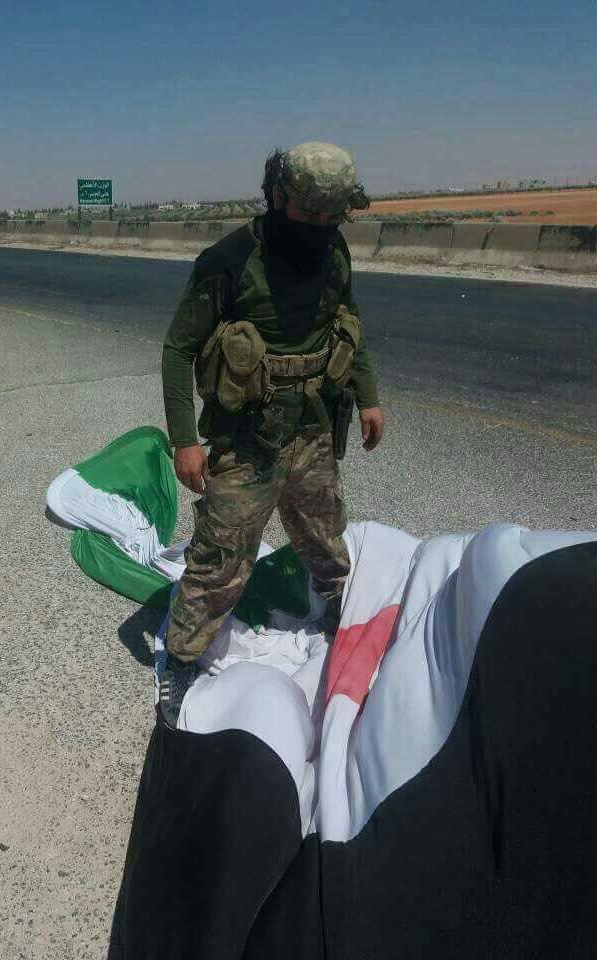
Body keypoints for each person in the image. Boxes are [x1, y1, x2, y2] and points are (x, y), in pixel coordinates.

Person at [158, 141, 384, 726]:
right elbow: (179, 347)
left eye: (332, 214)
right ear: (278, 197)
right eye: (310, 212)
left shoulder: (333, 251)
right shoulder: (229, 261)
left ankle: (342, 612)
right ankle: (180, 662)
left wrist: (368, 398)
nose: (321, 225)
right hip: (249, 439)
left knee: (324, 532)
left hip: (311, 429)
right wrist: (184, 438)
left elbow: (347, 325)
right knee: (220, 554)